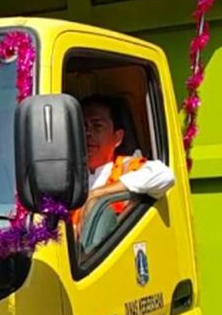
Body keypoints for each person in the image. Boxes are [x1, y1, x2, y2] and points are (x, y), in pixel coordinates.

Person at [75, 95, 174, 229]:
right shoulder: (67, 174)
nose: (88, 133)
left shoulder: (127, 167)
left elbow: (164, 176)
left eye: (97, 126)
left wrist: (97, 193)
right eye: (83, 126)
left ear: (118, 137)